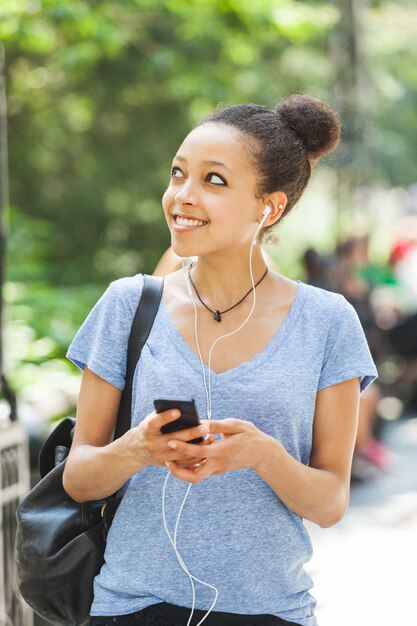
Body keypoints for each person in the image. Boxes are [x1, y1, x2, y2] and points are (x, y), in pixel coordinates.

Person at [63, 94, 378, 626]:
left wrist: (265, 456)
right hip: (131, 607)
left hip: (270, 612)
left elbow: (330, 503)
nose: (182, 196)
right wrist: (140, 448)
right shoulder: (127, 304)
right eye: (178, 174)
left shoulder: (327, 322)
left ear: (269, 207)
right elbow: (79, 478)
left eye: (213, 180)